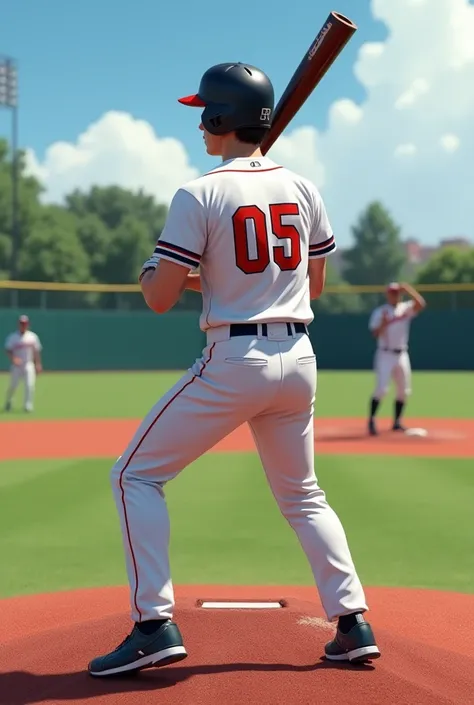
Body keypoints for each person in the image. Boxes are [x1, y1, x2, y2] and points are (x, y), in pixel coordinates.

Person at [88, 62, 380, 678]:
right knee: (303, 495)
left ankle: (152, 625)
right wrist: (218, 275)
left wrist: (156, 267)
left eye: (204, 112)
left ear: (222, 119)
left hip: (234, 359)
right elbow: (315, 283)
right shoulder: (304, 189)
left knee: (133, 476)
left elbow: (159, 297)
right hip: (299, 356)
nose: (199, 123)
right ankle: (353, 623)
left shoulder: (200, 192)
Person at [367, 281, 426, 435]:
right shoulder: (380, 312)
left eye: (396, 292)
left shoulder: (405, 308)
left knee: (404, 391)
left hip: (402, 354)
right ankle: (372, 421)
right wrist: (383, 324)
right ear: (387, 294)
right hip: (385, 354)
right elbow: (374, 334)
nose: (394, 295)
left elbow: (421, 304)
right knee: (381, 389)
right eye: (391, 292)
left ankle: (397, 422)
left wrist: (407, 289)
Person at [4, 314, 43, 413]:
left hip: (28, 364)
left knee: (30, 385)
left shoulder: (32, 336)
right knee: (13, 385)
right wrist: (13, 358)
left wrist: (38, 364)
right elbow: (8, 350)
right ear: (18, 324)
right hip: (17, 366)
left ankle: (27, 405)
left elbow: (36, 351)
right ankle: (9, 401)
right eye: (21, 323)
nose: (23, 325)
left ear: (28, 324)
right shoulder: (13, 337)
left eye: (25, 324)